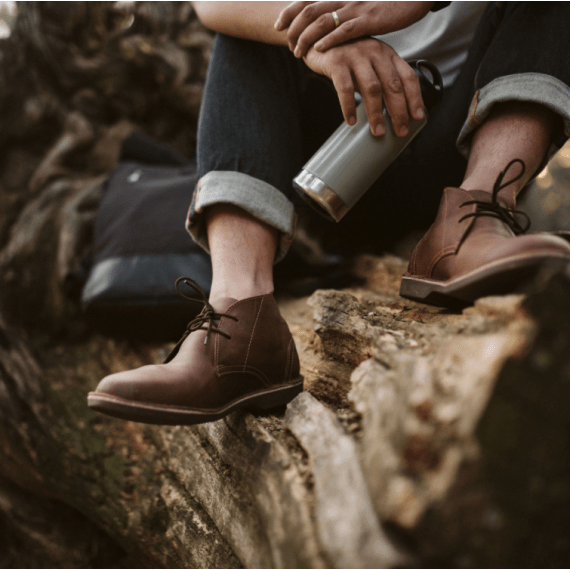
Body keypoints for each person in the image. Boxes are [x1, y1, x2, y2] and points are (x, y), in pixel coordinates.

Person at [87, 1, 570, 425]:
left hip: (451, 150)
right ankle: (238, 319)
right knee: (254, 25)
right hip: (315, 169)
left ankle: (474, 217)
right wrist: (313, 43)